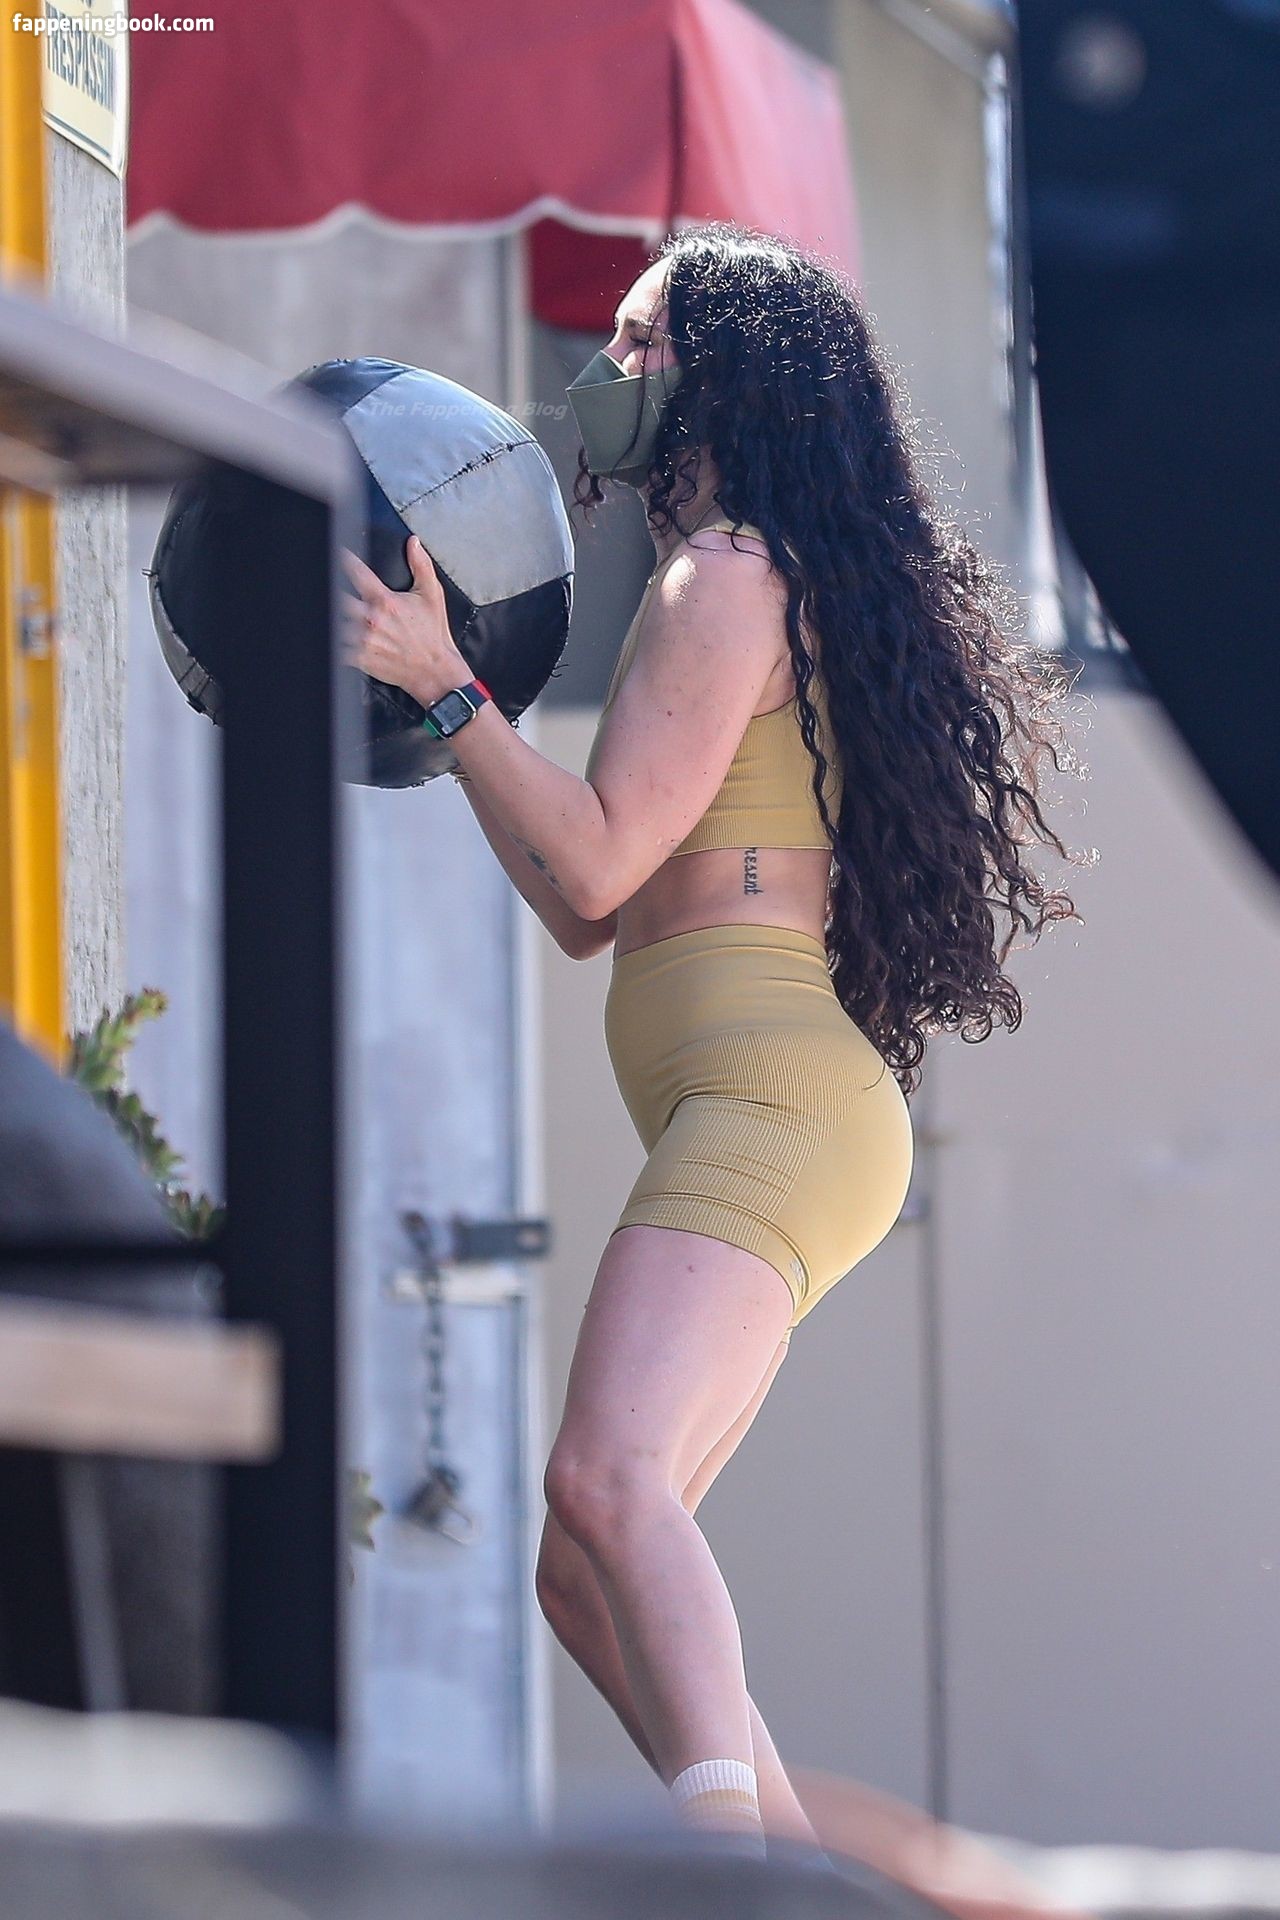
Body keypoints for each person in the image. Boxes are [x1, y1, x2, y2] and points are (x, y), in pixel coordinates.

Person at [340, 221, 1089, 1864]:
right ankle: (799, 1879)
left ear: (728, 379)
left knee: (608, 1481)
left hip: (774, 1101)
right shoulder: (739, 578)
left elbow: (600, 857)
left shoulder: (726, 574)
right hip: (774, 1104)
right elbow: (585, 907)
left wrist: (451, 689)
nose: (607, 370)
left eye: (640, 340)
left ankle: (728, 1881)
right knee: (582, 1558)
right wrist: (456, 722)